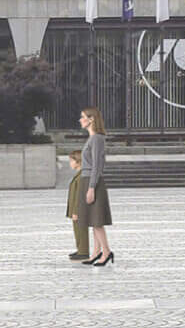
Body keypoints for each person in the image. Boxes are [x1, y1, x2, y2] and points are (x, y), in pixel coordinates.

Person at [77, 106, 113, 267]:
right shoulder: (92, 138)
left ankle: (106, 252)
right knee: (93, 220)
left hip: (92, 182)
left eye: (83, 117)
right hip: (87, 180)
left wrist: (91, 187)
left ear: (91, 119)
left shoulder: (97, 138)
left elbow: (97, 165)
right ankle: (96, 252)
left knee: (97, 222)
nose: (80, 120)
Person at [63, 147, 90, 262]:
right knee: (77, 229)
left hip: (79, 209)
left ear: (78, 162)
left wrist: (76, 211)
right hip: (76, 208)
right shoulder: (79, 175)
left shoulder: (82, 176)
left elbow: (80, 196)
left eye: (71, 161)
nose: (70, 163)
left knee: (81, 230)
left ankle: (83, 251)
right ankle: (80, 249)